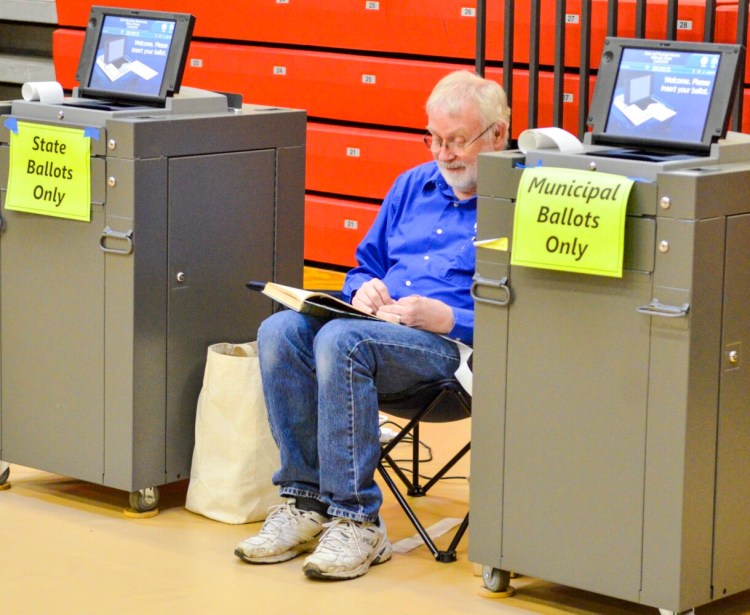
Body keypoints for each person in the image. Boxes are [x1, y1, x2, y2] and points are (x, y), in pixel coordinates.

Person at [235, 69, 511, 580]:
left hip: (457, 356)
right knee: (281, 330)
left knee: (342, 340)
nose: (443, 153)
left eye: (456, 141)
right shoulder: (410, 185)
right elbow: (365, 264)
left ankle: (359, 520)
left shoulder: (515, 206)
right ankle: (305, 502)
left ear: (497, 134)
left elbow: (531, 310)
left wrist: (451, 316)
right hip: (377, 336)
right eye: (434, 138)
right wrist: (363, 288)